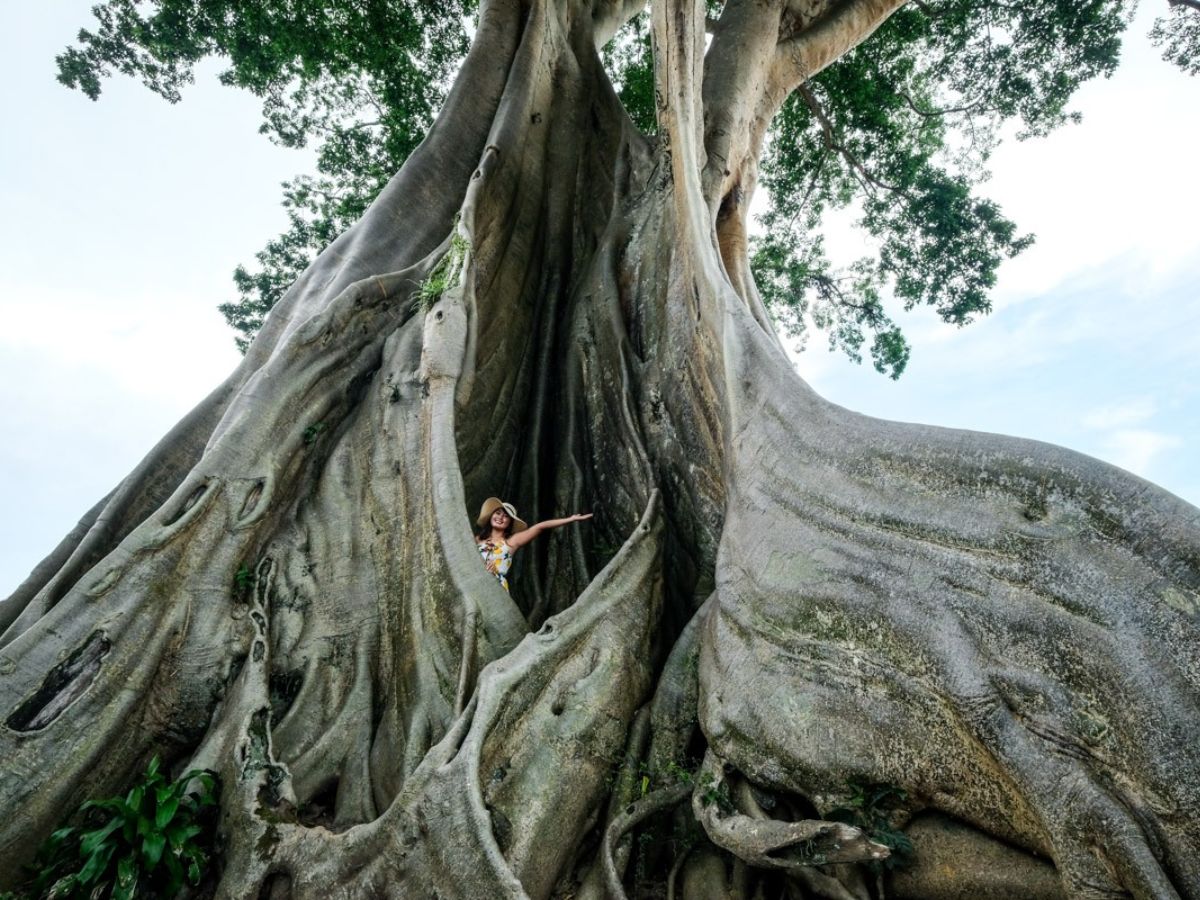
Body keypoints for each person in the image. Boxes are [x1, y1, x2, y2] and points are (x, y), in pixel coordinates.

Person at [475, 497, 592, 591]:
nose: (501, 517)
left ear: (509, 523)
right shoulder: (477, 540)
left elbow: (540, 527)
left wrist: (570, 519)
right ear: (491, 516)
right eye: (498, 513)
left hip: (496, 588)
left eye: (506, 516)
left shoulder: (511, 541)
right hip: (473, 583)